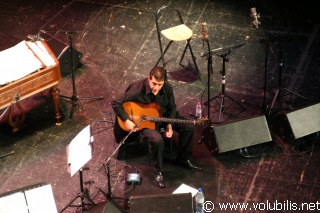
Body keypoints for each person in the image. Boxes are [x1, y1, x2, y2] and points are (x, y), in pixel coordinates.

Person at [111, 66, 201, 188]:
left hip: (163, 117)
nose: (156, 88)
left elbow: (172, 107)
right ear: (149, 78)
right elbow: (115, 102)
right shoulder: (137, 89)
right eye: (154, 83)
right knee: (157, 139)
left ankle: (184, 158)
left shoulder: (167, 88)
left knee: (188, 127)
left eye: (160, 84)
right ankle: (157, 171)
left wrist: (169, 124)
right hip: (146, 123)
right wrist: (126, 120)